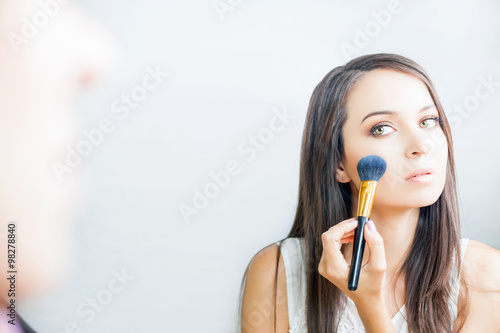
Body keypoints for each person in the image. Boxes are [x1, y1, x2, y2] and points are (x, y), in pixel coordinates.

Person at [238, 53, 500, 332]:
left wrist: (370, 306)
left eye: (428, 121)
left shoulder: (483, 275)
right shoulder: (277, 272)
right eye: (382, 128)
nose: (421, 145)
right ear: (339, 163)